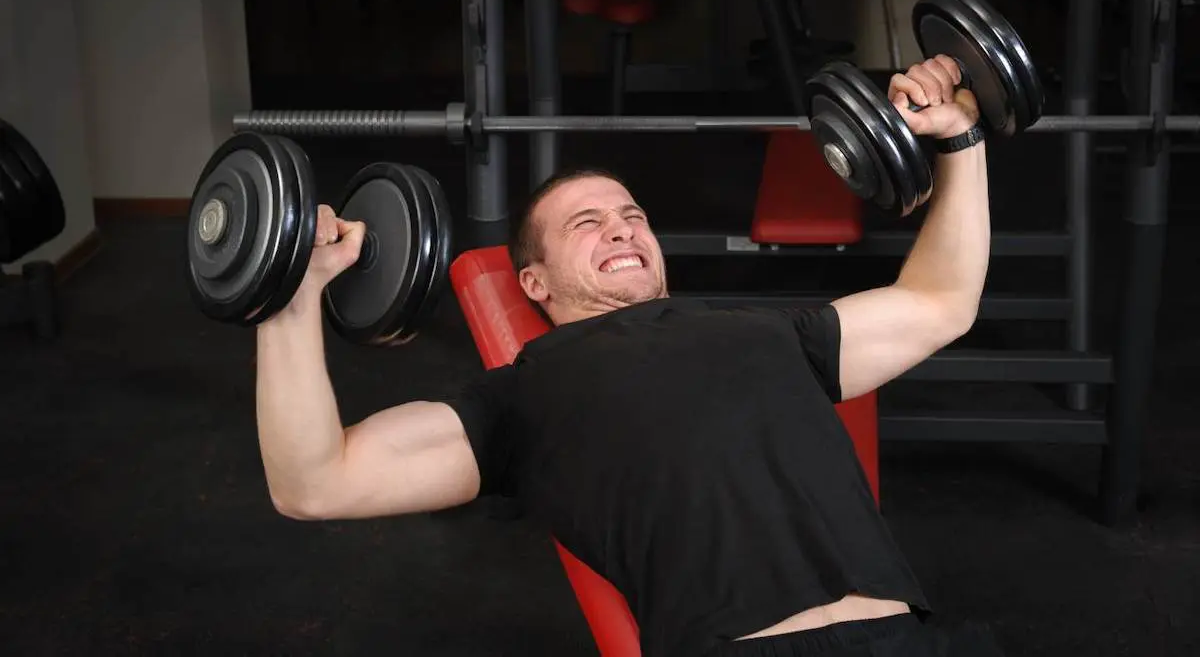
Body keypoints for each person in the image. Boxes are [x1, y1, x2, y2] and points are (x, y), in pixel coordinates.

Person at [254, 56, 1004, 657]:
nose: (621, 230)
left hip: (918, 639)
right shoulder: (522, 398)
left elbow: (942, 302)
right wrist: (289, 293)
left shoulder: (774, 330)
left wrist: (958, 139)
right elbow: (316, 483)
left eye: (632, 216)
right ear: (532, 282)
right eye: (587, 223)